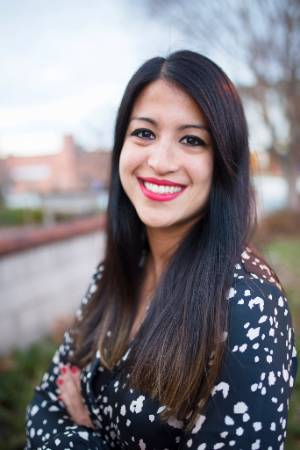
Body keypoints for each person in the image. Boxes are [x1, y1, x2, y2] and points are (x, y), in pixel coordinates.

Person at [25, 50, 298, 450]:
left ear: (223, 162)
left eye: (191, 139)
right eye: (144, 133)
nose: (160, 160)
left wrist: (82, 434)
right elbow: (44, 406)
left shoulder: (245, 305)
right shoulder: (116, 274)